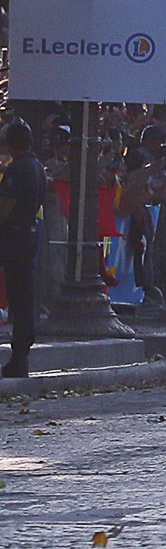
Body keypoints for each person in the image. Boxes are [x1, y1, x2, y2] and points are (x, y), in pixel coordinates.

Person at [3, 120, 49, 378]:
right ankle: (21, 353)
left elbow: (6, 205)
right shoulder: (37, 167)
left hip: (15, 237)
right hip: (29, 234)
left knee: (18, 294)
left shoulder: (18, 169)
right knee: (24, 295)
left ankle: (19, 354)